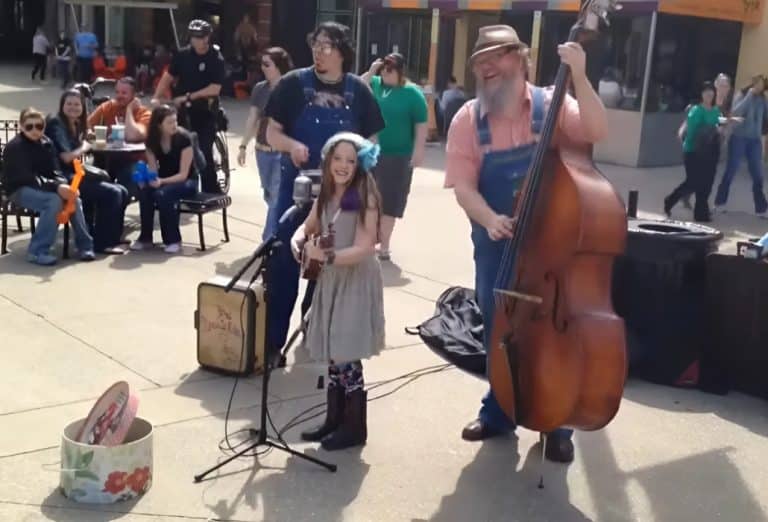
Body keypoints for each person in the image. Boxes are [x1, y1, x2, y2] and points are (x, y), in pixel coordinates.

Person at [445, 25, 609, 463]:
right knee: (500, 329)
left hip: (553, 243)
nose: (487, 67)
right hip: (496, 242)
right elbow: (463, 186)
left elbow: (596, 129)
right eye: (481, 61)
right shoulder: (467, 119)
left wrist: (581, 75)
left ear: (520, 58)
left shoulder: (550, 103)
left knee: (554, 333)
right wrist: (489, 218)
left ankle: (557, 422)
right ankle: (499, 411)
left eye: (497, 57)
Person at [263, 21, 385, 356]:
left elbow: (372, 142)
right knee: (284, 263)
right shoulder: (291, 85)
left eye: (327, 45)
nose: (319, 51)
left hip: (342, 199)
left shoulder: (359, 92)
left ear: (343, 51)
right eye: (316, 44)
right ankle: (273, 343)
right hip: (296, 189)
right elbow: (271, 133)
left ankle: (313, 332)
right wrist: (291, 145)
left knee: (326, 268)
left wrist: (357, 173)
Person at [290, 132, 385, 451]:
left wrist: (326, 256)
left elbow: (365, 246)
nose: (343, 165)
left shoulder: (363, 193)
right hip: (333, 277)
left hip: (354, 277)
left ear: (360, 164)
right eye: (338, 158)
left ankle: (355, 427)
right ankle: (335, 417)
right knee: (333, 351)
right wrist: (298, 238)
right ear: (328, 160)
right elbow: (309, 224)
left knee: (346, 350)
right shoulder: (329, 191)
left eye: (351, 160)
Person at [2, 108, 94, 265]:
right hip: (18, 189)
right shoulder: (15, 147)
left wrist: (64, 186)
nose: (34, 130)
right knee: (53, 201)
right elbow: (26, 177)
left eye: (39, 126)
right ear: (22, 127)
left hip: (43, 186)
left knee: (74, 199)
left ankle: (85, 246)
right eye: (29, 126)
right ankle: (37, 251)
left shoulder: (47, 143)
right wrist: (57, 188)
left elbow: (55, 171)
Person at [361, 52, 428, 261]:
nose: (386, 74)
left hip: (399, 156)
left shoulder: (412, 93)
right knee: (368, 198)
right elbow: (357, 85)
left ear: (400, 72)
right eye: (384, 70)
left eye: (390, 70)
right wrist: (372, 70)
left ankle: (385, 245)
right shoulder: (376, 84)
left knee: (390, 201)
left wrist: (418, 151)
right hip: (373, 153)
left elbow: (421, 124)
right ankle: (368, 240)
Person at [46, 89, 129, 254]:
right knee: (112, 193)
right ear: (62, 105)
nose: (73, 107)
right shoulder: (56, 124)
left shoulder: (75, 124)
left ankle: (111, 237)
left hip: (75, 174)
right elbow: (66, 157)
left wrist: (86, 139)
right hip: (61, 179)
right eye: (68, 104)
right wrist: (84, 146)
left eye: (77, 104)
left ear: (83, 107)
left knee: (123, 190)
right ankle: (101, 243)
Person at [151, 19, 225, 194]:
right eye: (194, 37)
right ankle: (184, 186)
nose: (197, 41)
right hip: (183, 110)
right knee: (181, 146)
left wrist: (190, 96)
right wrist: (156, 97)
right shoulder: (183, 55)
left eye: (200, 37)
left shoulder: (215, 58)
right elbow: (168, 76)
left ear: (208, 37)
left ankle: (210, 189)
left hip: (205, 110)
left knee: (204, 149)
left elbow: (215, 88)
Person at [238, 47, 294, 240]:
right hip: (262, 150)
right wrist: (243, 145)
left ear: (279, 66)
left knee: (276, 197)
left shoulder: (290, 89)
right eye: (261, 64)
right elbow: (252, 118)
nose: (262, 68)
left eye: (267, 64)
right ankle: (278, 232)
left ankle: (268, 239)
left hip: (281, 152)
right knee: (269, 195)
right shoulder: (260, 89)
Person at [130, 105, 198, 254]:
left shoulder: (184, 139)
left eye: (175, 121)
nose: (174, 125)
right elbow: (153, 169)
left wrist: (161, 182)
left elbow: (183, 174)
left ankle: (173, 240)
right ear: (159, 125)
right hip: (163, 178)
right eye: (170, 122)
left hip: (187, 182)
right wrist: (147, 179)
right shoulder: (152, 141)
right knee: (145, 191)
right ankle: (145, 238)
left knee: (163, 194)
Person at [664, 82, 723, 222]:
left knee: (707, 183)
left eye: (711, 91)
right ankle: (670, 200)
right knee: (693, 181)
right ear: (701, 94)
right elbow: (691, 132)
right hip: (694, 152)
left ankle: (701, 213)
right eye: (706, 91)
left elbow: (720, 127)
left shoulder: (716, 111)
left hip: (711, 152)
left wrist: (723, 128)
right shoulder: (696, 110)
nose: (709, 94)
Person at [713, 75, 768, 217]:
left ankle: (761, 209)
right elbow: (736, 112)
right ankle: (720, 203)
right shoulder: (742, 95)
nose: (759, 87)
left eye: (762, 85)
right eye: (758, 84)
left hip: (754, 141)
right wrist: (749, 96)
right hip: (739, 138)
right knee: (731, 171)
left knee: (757, 175)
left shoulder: (762, 99)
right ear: (753, 83)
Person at [88, 77, 152, 196]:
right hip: (106, 158)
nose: (119, 96)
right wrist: (91, 135)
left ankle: (120, 207)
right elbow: (86, 126)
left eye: (124, 93)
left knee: (128, 176)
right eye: (117, 92)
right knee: (89, 173)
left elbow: (132, 135)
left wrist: (129, 111)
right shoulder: (107, 107)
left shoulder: (144, 114)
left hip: (133, 160)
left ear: (134, 95)